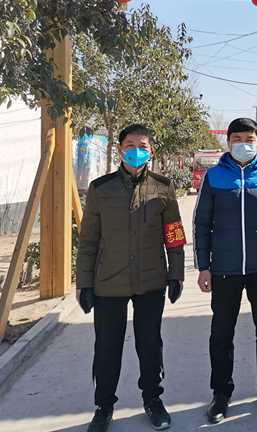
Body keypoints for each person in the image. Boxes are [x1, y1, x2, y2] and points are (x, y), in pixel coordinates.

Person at [76, 124, 186, 432]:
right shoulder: (100, 188)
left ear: (151, 150)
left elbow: (174, 235)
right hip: (108, 280)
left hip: (151, 280)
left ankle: (153, 399)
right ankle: (104, 406)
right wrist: (84, 282)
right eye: (130, 145)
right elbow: (88, 240)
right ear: (120, 149)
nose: (136, 150)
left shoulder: (163, 187)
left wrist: (176, 274)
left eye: (142, 145)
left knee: (150, 344)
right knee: (107, 346)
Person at [193, 118, 257, 424]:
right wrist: (203, 267)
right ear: (228, 142)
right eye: (237, 139)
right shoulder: (213, 176)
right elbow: (201, 224)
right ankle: (221, 394)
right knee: (221, 332)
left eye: (249, 139)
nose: (243, 144)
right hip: (224, 268)